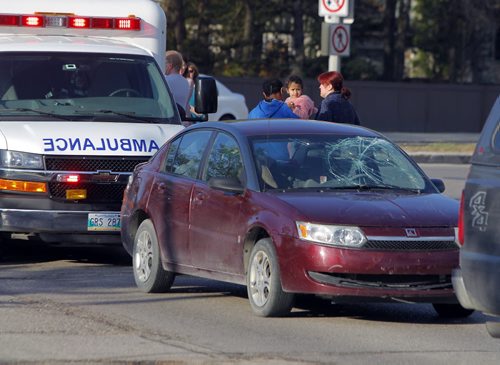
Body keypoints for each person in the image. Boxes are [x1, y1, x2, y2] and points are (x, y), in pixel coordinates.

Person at [164, 50, 190, 115]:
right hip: (180, 120)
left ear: (170, 66)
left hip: (167, 119)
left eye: (164, 63)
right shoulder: (185, 82)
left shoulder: (165, 81)